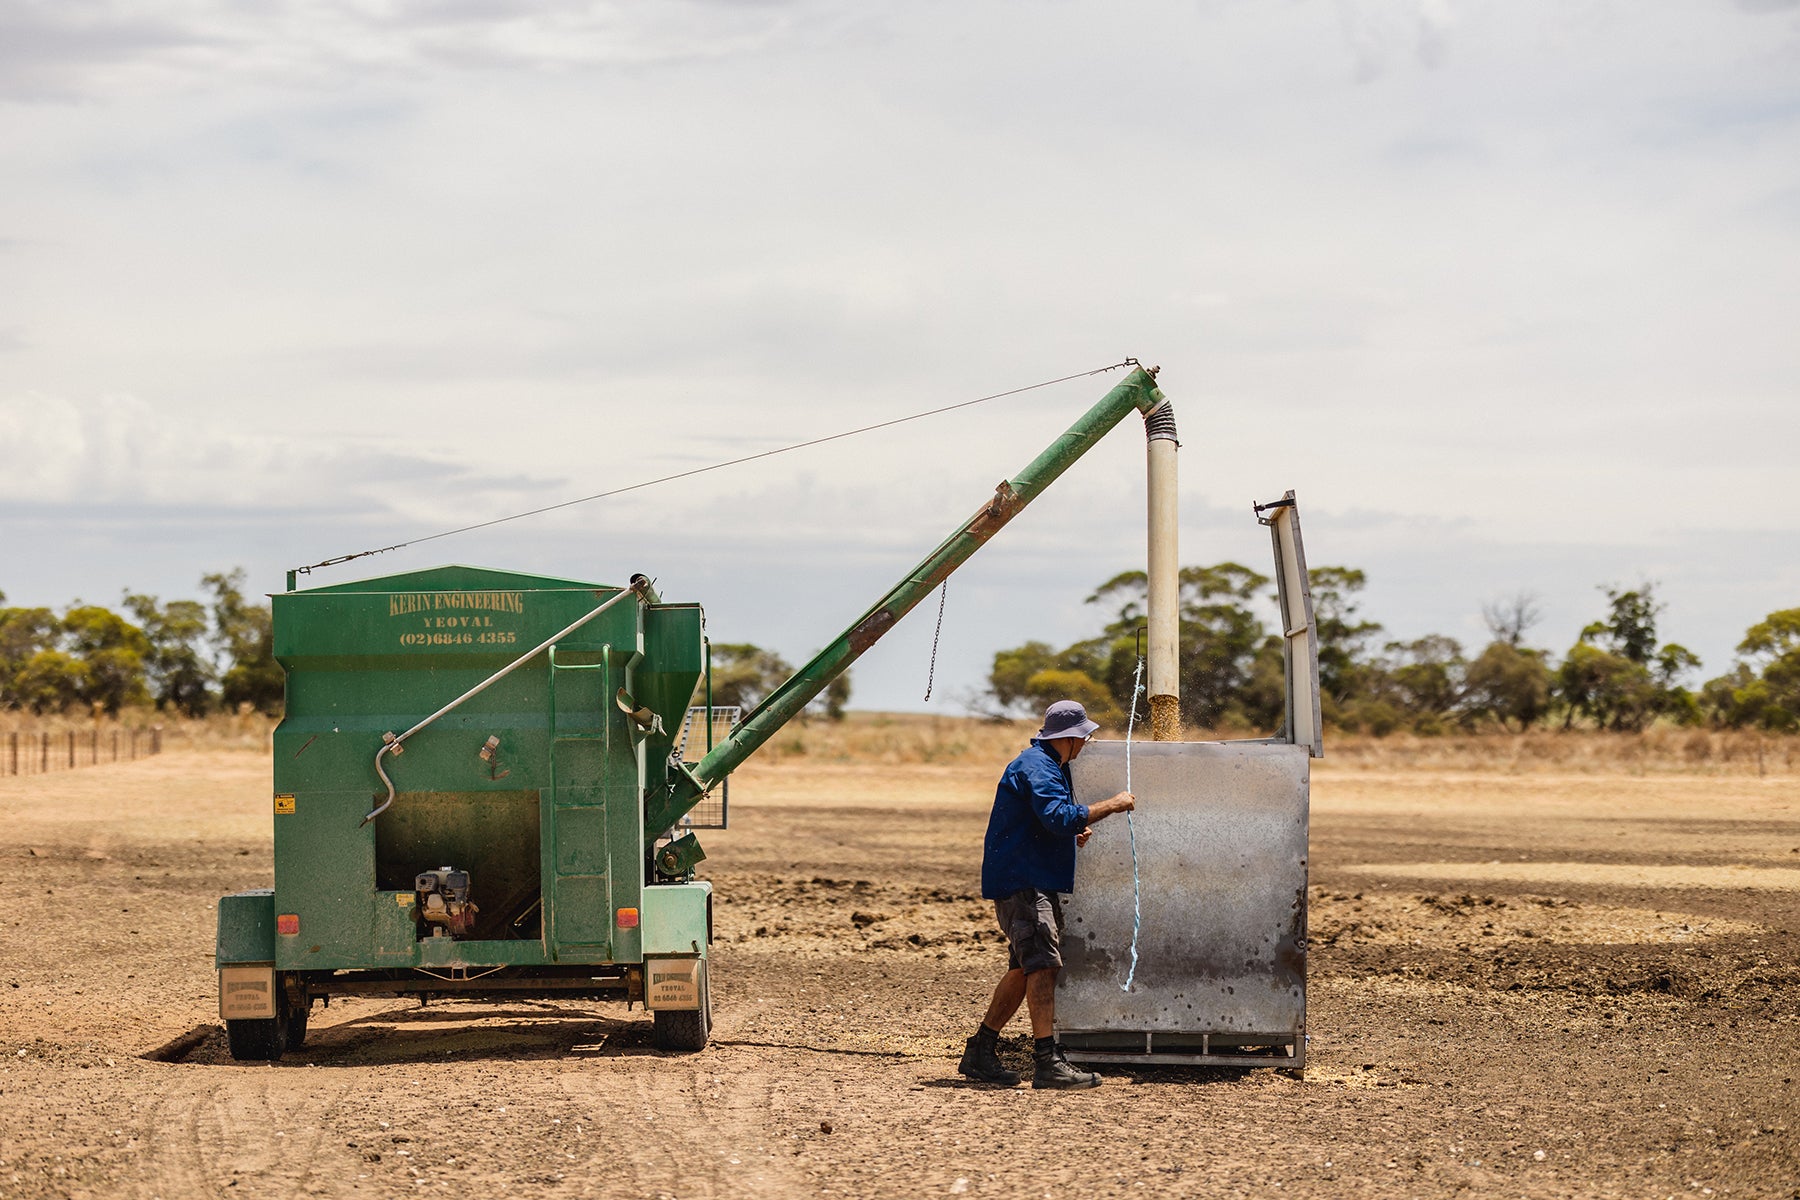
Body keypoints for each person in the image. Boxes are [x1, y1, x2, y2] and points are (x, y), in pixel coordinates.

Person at [958, 699, 1135, 1090]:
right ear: (1069, 738)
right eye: (1084, 737)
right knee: (1044, 965)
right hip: (1025, 882)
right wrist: (1113, 805)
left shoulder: (1048, 765)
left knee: (1024, 967)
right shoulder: (1038, 767)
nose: (1086, 744)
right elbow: (1057, 816)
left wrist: (1072, 828)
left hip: (1025, 878)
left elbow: (1049, 818)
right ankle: (1046, 1062)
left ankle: (981, 1051)